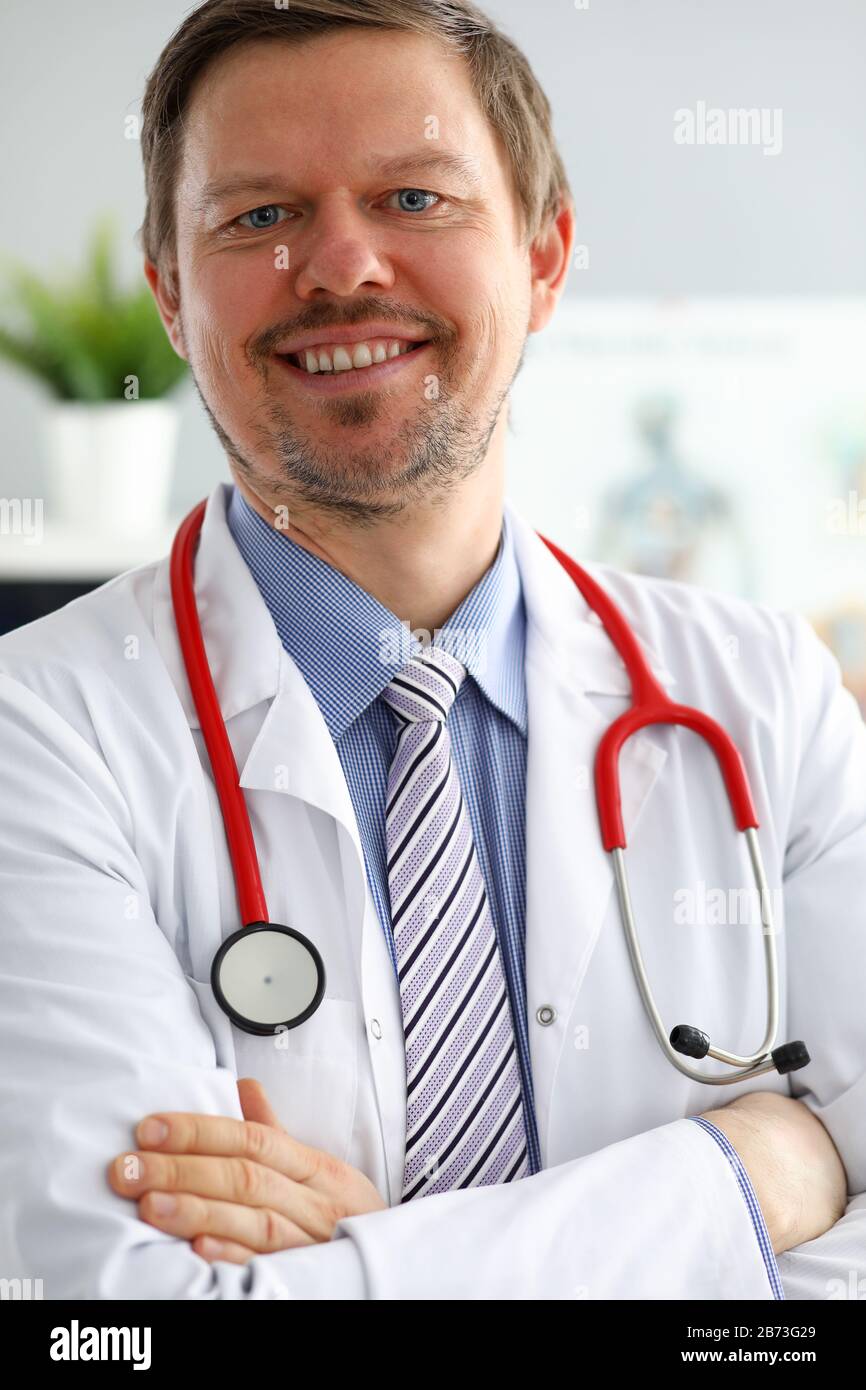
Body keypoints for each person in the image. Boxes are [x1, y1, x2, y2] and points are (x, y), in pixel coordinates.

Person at [0, 0, 863, 1300]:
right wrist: (757, 1172)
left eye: (412, 197)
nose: (340, 264)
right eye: (257, 216)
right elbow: (147, 1311)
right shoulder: (38, 728)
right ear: (171, 295)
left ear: (545, 254)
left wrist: (367, 1258)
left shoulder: (765, 695)